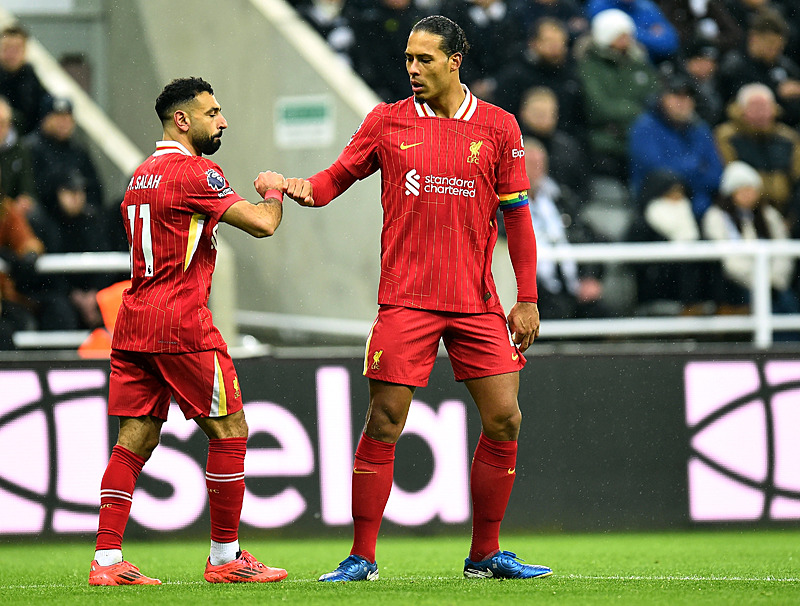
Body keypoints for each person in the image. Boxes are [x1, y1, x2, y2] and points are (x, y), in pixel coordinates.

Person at [284, 16, 551, 582]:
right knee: (385, 420)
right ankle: (361, 557)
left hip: (477, 301)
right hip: (407, 298)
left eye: (425, 59)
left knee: (505, 419)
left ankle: (484, 555)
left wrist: (526, 297)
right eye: (408, 58)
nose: (412, 68)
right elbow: (330, 183)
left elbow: (519, 217)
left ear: (456, 60)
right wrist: (292, 187)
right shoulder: (387, 121)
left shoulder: (500, 128)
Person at [89, 77, 287, 586]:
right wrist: (273, 190)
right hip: (181, 324)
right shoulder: (197, 172)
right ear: (183, 120)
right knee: (231, 430)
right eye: (213, 112)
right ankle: (225, 559)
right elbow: (263, 225)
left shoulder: (141, 175)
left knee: (133, 440)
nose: (222, 121)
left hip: (133, 324)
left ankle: (106, 562)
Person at [702, 160, 800, 326]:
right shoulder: (718, 217)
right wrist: (758, 281)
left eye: (751, 189)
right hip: (737, 285)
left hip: (775, 282)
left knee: (788, 306)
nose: (748, 194)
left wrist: (774, 279)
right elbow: (728, 260)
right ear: (731, 192)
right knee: (766, 307)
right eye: (743, 189)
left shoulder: (768, 215)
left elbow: (783, 251)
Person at [576, 8, 660, 182]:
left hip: (641, 140)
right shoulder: (591, 66)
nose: (626, 39)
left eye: (628, 34)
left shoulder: (639, 63)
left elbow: (656, 99)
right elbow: (598, 107)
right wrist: (636, 112)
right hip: (605, 141)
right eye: (619, 34)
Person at [628, 73, 723, 219]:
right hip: (657, 202)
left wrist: (687, 175)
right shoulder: (645, 127)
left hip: (701, 203)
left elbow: (716, 174)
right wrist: (696, 166)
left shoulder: (700, 129)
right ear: (662, 98)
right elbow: (657, 173)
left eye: (687, 96)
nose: (682, 102)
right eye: (676, 95)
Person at [714, 82, 800, 233]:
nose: (761, 112)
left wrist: (792, 216)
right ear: (741, 110)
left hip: (787, 211)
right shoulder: (726, 136)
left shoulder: (789, 138)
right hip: (743, 212)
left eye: (765, 106)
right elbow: (732, 176)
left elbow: (797, 178)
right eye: (754, 107)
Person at [24, 96, 104, 215]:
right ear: (45, 118)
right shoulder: (29, 149)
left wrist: (80, 202)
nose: (64, 122)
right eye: (58, 117)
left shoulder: (78, 150)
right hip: (45, 217)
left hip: (77, 219)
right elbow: (28, 190)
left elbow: (95, 189)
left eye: (67, 117)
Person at [585, 0, 679, 64]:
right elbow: (617, 40)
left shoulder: (645, 5)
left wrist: (635, 34)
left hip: (654, 65)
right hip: (619, 65)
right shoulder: (599, 5)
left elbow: (670, 42)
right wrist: (651, 34)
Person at [0, 25, 51, 136]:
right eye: (7, 48)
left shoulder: (31, 76)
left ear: (25, 50)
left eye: (16, 49)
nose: (11, 54)